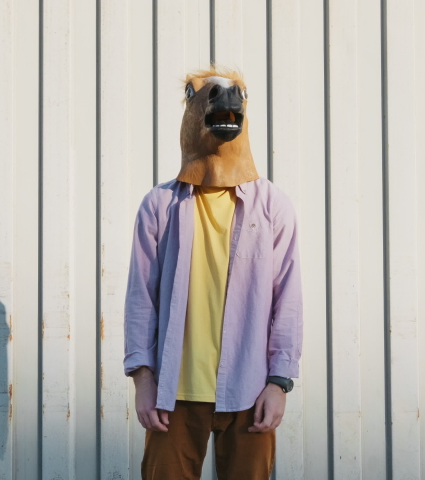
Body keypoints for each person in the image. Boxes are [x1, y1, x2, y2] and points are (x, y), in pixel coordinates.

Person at [123, 67, 303, 480]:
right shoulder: (160, 205)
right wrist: (143, 379)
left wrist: (279, 382)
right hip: (174, 393)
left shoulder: (272, 205)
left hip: (250, 388)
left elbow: (287, 297)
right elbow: (141, 298)